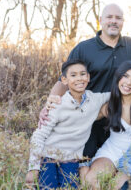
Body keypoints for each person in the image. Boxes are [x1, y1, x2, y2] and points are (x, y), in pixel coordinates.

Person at [38, 3, 131, 159]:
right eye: (109, 17)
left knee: (120, 161)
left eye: (118, 18)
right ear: (100, 20)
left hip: (120, 117)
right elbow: (63, 81)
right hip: (89, 118)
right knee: (83, 160)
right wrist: (49, 105)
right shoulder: (84, 48)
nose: (113, 21)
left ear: (123, 22)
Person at [25, 60, 110, 189]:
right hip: (48, 157)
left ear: (88, 77)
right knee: (48, 187)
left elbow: (115, 93)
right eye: (73, 75)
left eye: (82, 74)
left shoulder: (95, 99)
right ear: (64, 80)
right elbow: (39, 136)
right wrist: (33, 168)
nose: (79, 78)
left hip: (71, 160)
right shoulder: (57, 104)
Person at [79, 61, 131, 189]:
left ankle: (85, 171)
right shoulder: (110, 105)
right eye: (125, 76)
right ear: (118, 77)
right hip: (111, 152)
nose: (128, 83)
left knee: (115, 187)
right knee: (92, 181)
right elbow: (83, 119)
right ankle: (85, 172)